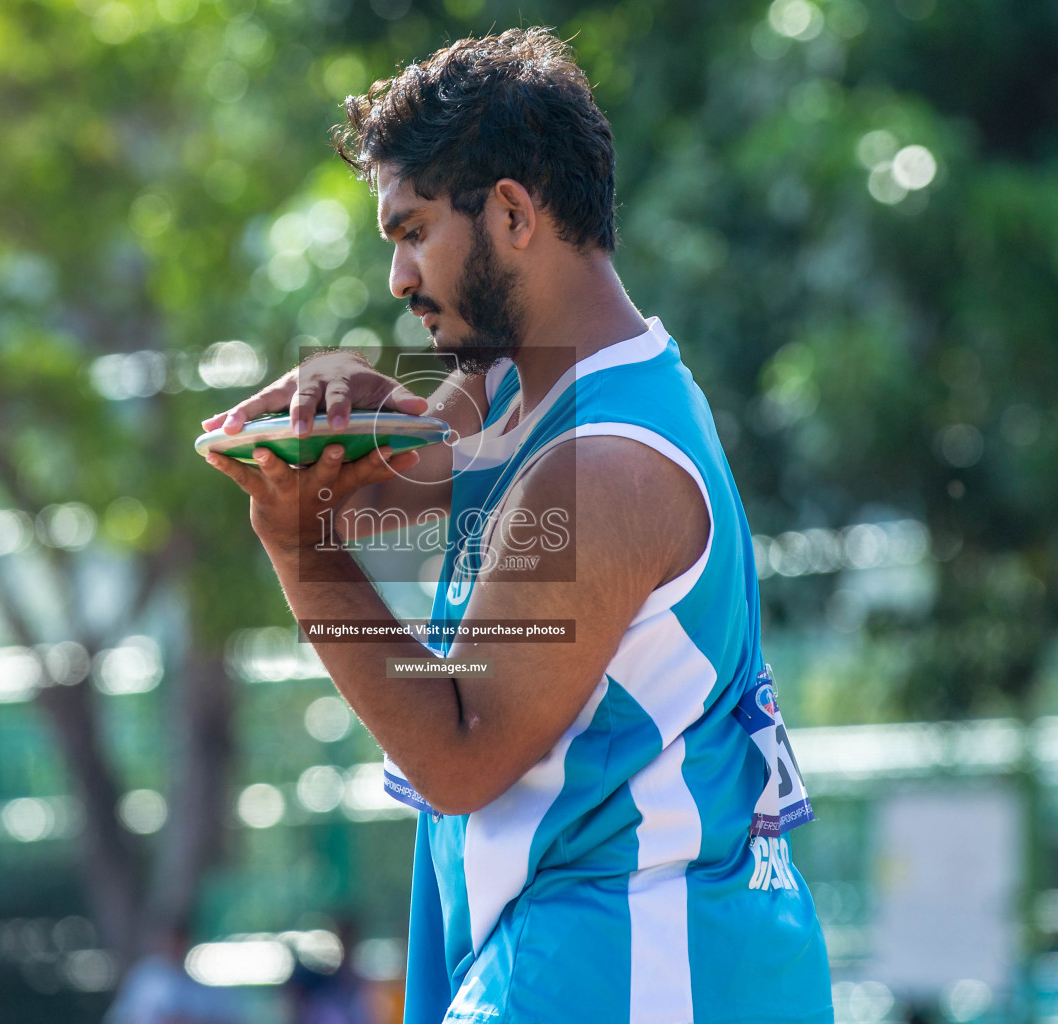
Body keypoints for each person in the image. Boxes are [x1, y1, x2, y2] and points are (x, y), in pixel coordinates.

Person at [201, 27, 832, 1023]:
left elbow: (462, 756)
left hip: (630, 967)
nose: (400, 278)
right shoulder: (510, 388)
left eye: (411, 233)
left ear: (511, 212)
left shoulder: (603, 465)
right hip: (587, 953)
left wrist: (296, 544)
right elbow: (366, 505)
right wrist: (332, 422)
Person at [105, 926, 244, 1024]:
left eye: (179, 943)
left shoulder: (206, 976)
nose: (174, 948)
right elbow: (123, 1016)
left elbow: (229, 1017)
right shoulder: (145, 977)